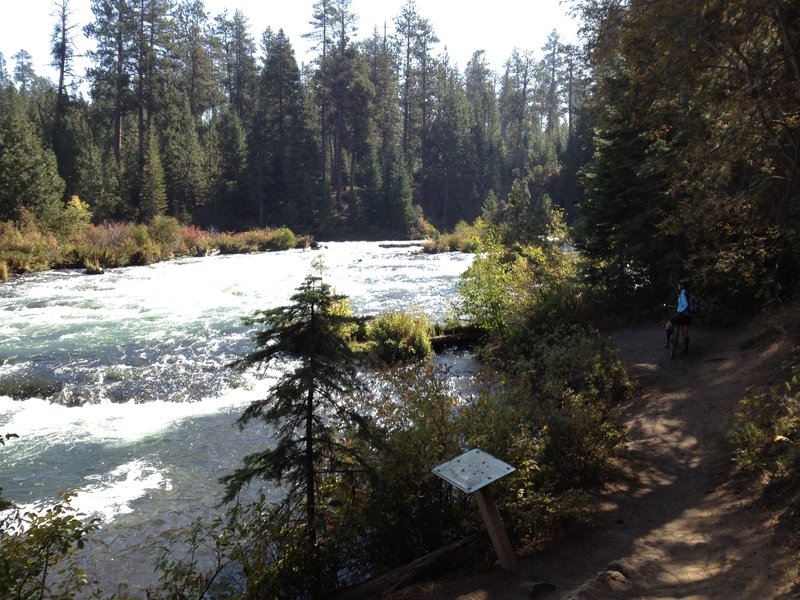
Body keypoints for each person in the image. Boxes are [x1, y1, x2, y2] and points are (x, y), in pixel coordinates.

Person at [665, 278, 691, 353]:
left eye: (679, 285)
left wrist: (680, 311)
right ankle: (686, 350)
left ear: (681, 285)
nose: (678, 286)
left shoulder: (682, 294)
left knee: (668, 325)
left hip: (681, 315)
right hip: (688, 316)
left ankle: (668, 342)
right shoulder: (688, 293)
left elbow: (686, 304)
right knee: (685, 332)